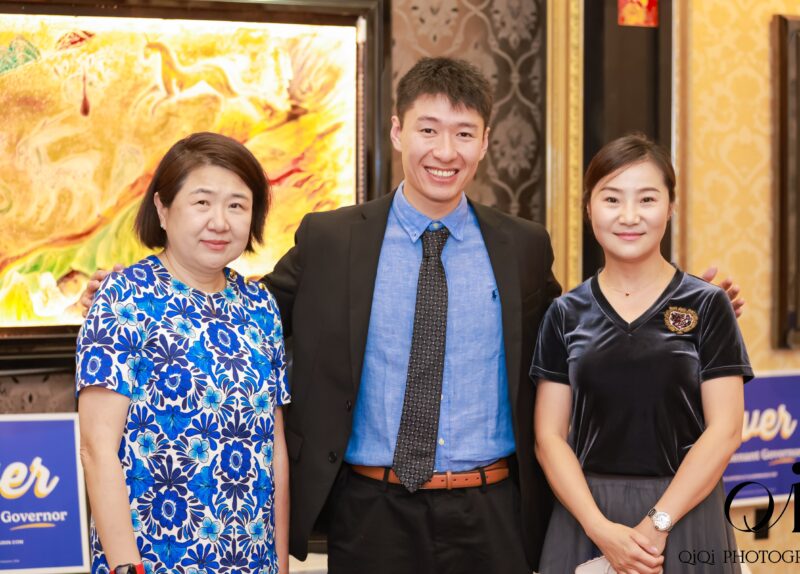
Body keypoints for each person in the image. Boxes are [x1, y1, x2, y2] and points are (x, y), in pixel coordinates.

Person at [81, 61, 743, 574]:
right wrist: (142, 286)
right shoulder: (332, 238)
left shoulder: (521, 247)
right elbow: (242, 306)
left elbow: (580, 332)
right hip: (371, 511)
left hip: (493, 511)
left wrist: (674, 309)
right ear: (397, 131)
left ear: (485, 143)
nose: (444, 151)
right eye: (428, 129)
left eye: (463, 133)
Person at [531, 134, 752, 573]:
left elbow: (726, 429)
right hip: (587, 515)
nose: (629, 216)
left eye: (647, 199)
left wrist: (658, 524)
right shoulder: (565, 313)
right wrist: (600, 529)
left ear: (670, 207)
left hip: (686, 512)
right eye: (612, 198)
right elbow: (548, 438)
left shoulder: (708, 304)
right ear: (589, 207)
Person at [77, 132, 290, 574]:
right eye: (202, 202)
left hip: (251, 560)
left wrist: (280, 564)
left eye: (237, 205)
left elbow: (275, 452)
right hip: (153, 561)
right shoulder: (124, 298)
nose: (220, 222)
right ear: (162, 208)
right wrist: (127, 568)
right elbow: (97, 449)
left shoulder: (260, 307)